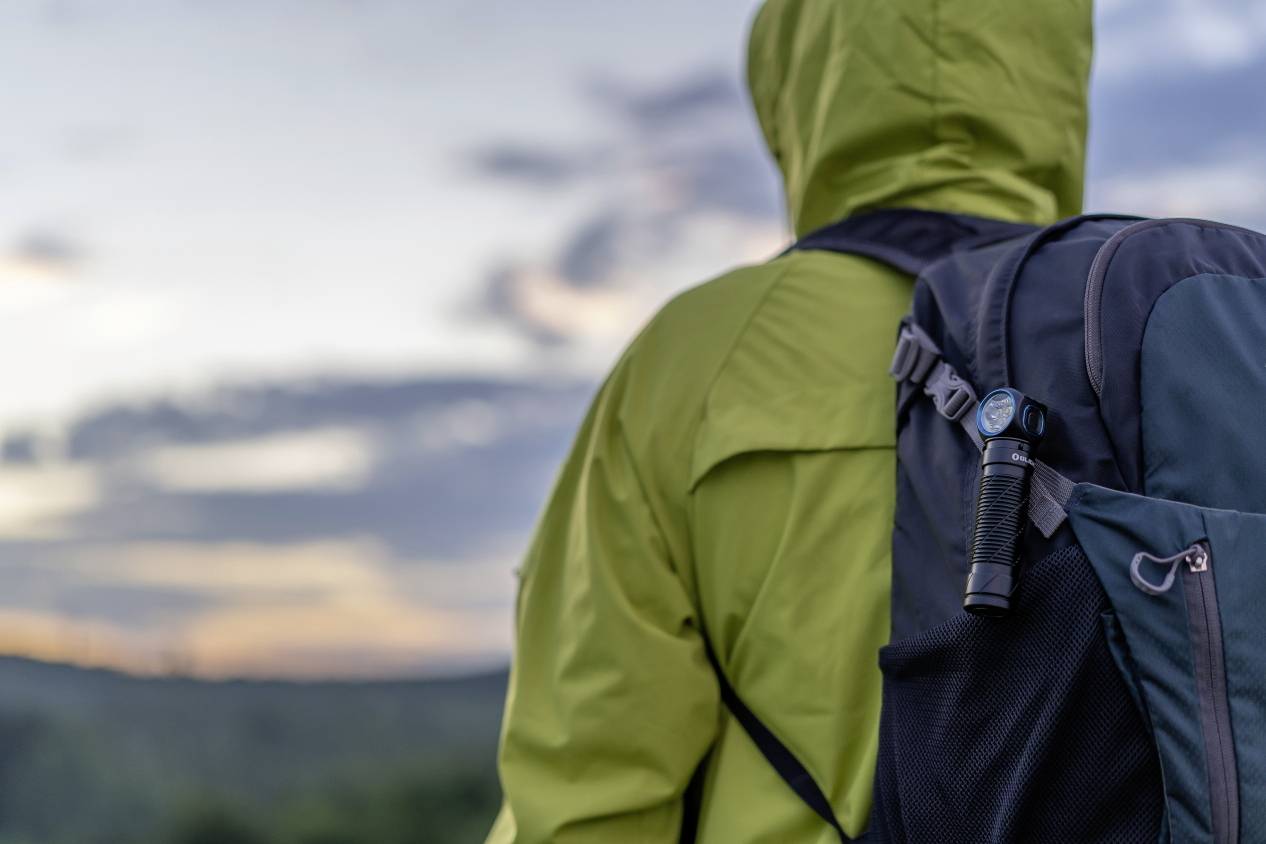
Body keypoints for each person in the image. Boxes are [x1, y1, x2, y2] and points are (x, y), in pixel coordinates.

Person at [485, 0, 1091, 840]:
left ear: (800, 79)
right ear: (1058, 72)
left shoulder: (701, 357)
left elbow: (587, 784)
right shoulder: (1160, 338)